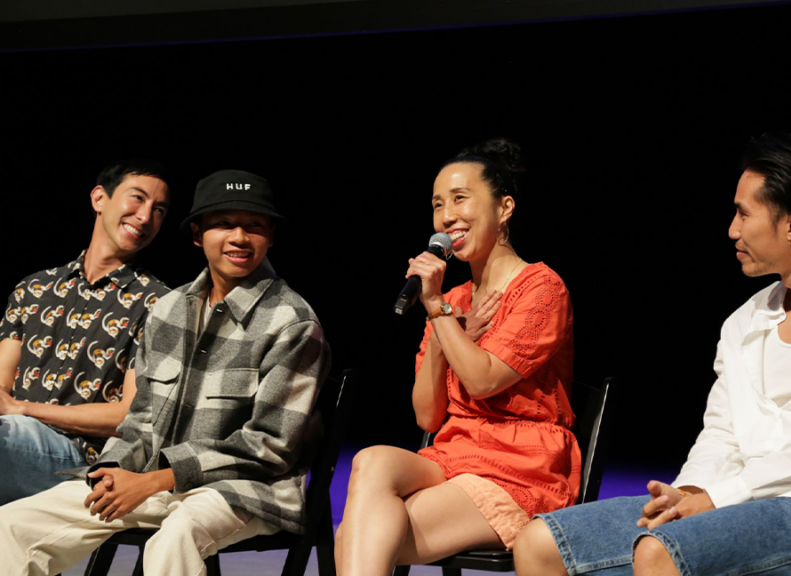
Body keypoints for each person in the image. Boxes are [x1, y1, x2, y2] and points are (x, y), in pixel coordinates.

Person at [513, 133, 791, 576]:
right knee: (539, 543)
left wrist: (721, 497)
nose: (732, 229)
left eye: (743, 213)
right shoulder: (747, 320)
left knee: (662, 552)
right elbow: (722, 433)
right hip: (741, 500)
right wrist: (690, 492)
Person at [0, 169, 331, 576]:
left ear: (271, 236)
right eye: (224, 224)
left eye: (254, 226)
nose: (240, 238)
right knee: (12, 526)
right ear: (197, 234)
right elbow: (141, 418)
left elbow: (269, 446)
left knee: (173, 537)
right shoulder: (169, 309)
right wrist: (116, 468)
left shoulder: (291, 322)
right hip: (155, 481)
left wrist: (159, 478)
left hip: (244, 491)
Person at [335, 138, 577, 576]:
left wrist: (436, 311)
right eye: (437, 204)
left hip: (517, 466)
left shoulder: (542, 288)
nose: (447, 217)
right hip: (455, 454)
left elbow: (484, 381)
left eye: (460, 199)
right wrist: (446, 331)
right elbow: (427, 417)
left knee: (356, 535)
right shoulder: (455, 298)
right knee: (370, 460)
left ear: (504, 209)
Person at [0, 159, 171, 505]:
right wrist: (13, 408)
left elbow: (128, 416)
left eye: (159, 211)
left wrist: (24, 409)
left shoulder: (159, 303)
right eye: (137, 198)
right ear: (99, 199)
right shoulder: (33, 288)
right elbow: (3, 382)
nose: (144, 216)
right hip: (11, 437)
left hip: (80, 458)